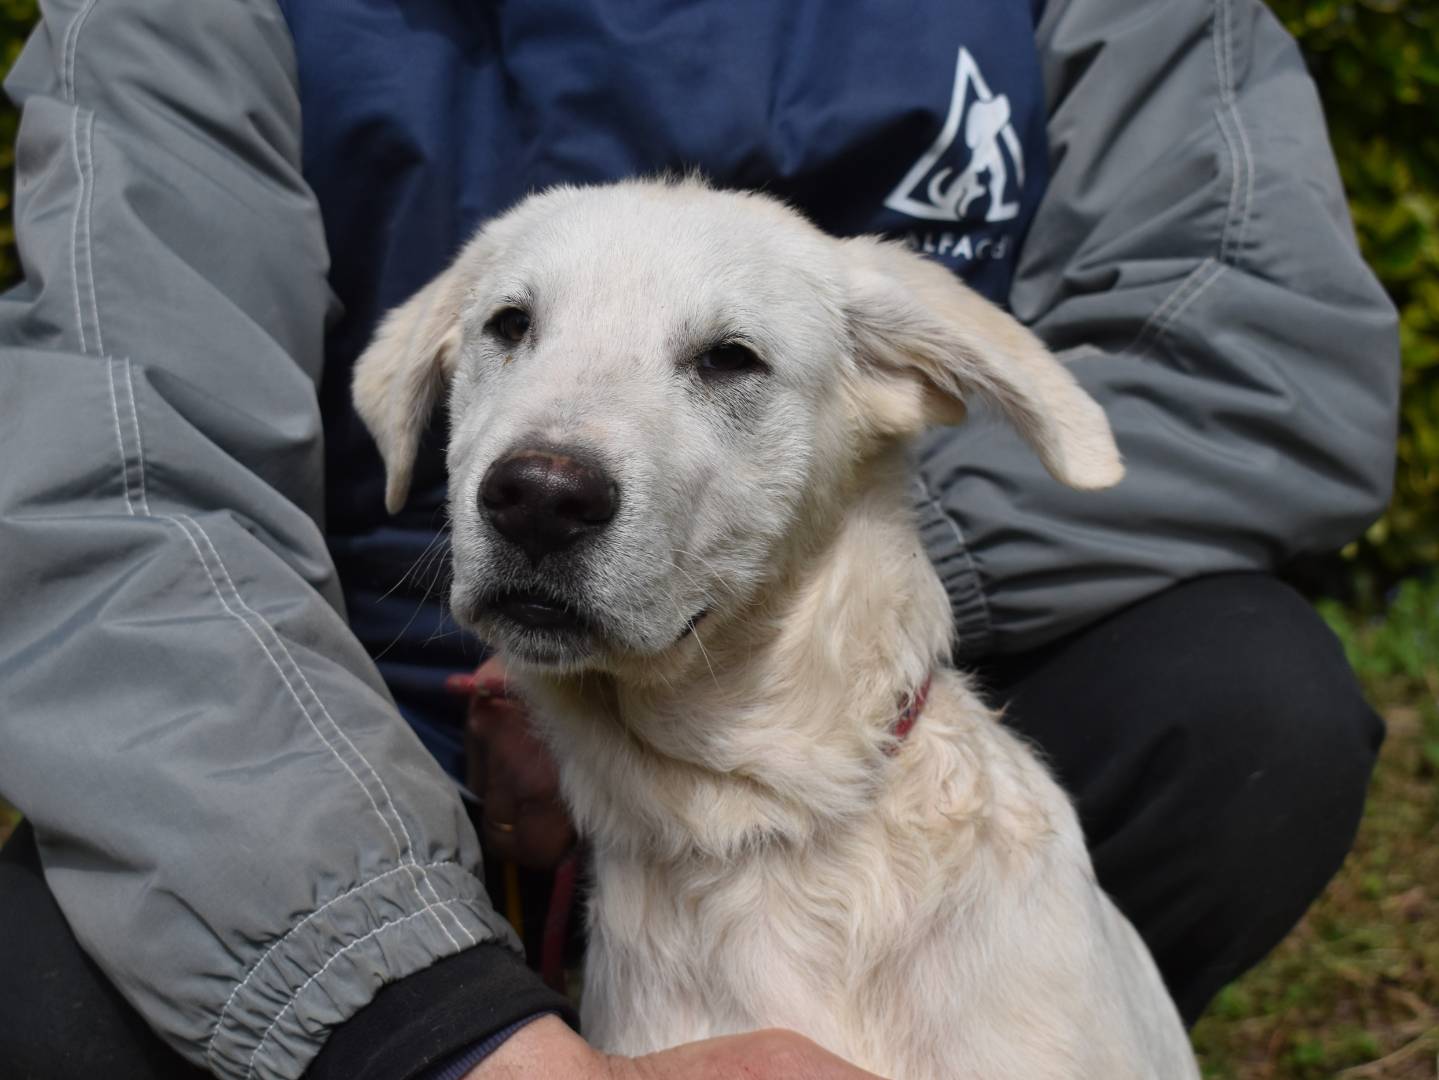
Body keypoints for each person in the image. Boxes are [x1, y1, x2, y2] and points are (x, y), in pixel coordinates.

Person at [0, 0, 1397, 1077]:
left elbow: (1252, 349)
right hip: (368, 737)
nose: (553, 469)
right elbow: (122, 486)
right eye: (509, 328)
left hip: (844, 704)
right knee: (41, 986)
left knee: (1244, 694)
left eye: (724, 357)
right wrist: (447, 1030)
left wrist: (780, 599)